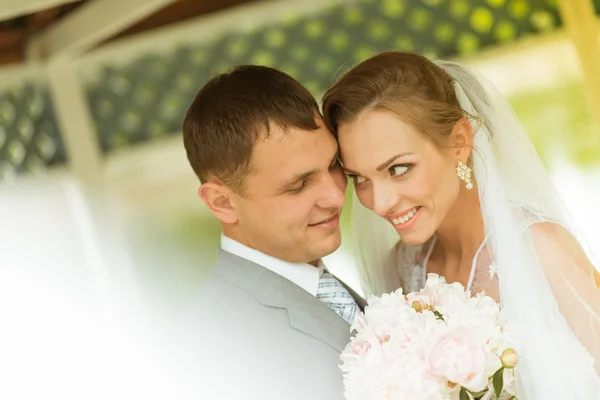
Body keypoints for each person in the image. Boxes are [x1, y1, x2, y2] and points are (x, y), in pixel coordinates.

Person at [321, 51, 600, 399]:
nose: (379, 202)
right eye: (358, 178)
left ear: (459, 142)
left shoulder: (542, 249)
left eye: (398, 168)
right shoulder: (404, 265)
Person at [180, 65, 365, 400]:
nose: (337, 195)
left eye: (334, 163)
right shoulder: (217, 343)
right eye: (299, 184)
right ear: (222, 202)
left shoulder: (326, 283)